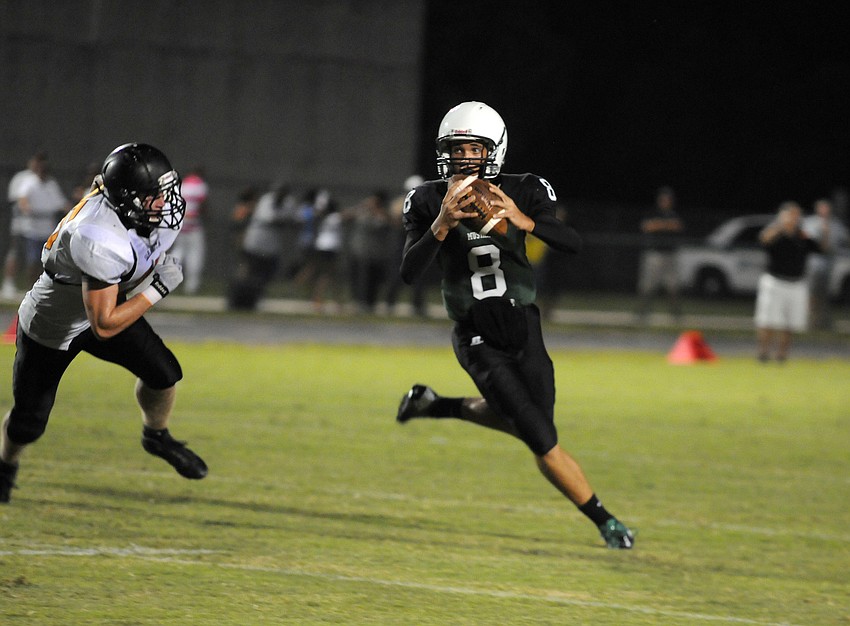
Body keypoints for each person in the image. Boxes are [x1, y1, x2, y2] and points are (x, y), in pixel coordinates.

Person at [395, 101, 635, 549]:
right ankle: (607, 522)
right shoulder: (428, 200)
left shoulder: (525, 190)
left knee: (531, 423)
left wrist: (524, 222)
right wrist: (441, 225)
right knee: (542, 440)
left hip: (524, 324)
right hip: (475, 331)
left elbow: (572, 244)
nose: (464, 157)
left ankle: (434, 405)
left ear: (495, 150)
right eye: (456, 148)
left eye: (473, 148)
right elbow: (409, 271)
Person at [0, 143, 208, 504]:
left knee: (164, 374)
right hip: (55, 326)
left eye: (165, 191)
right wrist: (157, 288)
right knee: (28, 422)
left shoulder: (135, 209)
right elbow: (105, 325)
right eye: (154, 196)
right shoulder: (97, 236)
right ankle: (5, 464)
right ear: (128, 199)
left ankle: (155, 435)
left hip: (102, 305)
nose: (166, 202)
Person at [755, 201, 826, 363]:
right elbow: (763, 240)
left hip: (796, 283)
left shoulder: (802, 235)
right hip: (774, 281)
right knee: (767, 320)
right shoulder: (775, 232)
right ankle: (763, 353)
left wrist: (825, 226)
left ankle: (782, 355)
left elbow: (821, 249)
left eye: (797, 214)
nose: (794, 218)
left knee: (790, 322)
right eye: (791, 214)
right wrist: (781, 226)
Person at [3, 152, 69, 299]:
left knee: (47, 262)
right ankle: (28, 288)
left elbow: (62, 204)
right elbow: (22, 200)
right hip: (30, 229)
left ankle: (43, 290)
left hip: (48, 230)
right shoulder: (28, 181)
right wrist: (28, 209)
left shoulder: (51, 184)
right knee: (31, 260)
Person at [227, 183, 296, 310]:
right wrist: (285, 220)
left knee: (267, 273)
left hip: (271, 245)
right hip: (256, 241)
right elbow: (271, 218)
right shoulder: (267, 200)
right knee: (247, 271)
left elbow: (292, 217)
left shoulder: (288, 203)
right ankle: (236, 298)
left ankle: (255, 297)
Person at [635, 186, 684, 322]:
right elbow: (646, 226)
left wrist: (661, 225)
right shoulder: (653, 213)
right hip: (654, 254)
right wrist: (664, 225)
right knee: (647, 285)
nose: (665, 202)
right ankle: (642, 313)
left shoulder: (674, 214)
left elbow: (678, 226)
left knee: (672, 286)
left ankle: (675, 314)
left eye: (667, 200)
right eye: (663, 199)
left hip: (670, 255)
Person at [802, 198, 848, 329]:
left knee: (826, 294)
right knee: (811, 294)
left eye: (826, 208)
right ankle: (809, 321)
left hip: (830, 265)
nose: (824, 211)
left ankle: (823, 321)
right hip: (813, 265)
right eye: (822, 208)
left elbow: (844, 240)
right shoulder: (810, 222)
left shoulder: (836, 224)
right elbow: (808, 242)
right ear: (817, 209)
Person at [169, 165, 209, 294]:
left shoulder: (184, 184)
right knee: (195, 254)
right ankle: (191, 285)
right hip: (194, 223)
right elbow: (203, 205)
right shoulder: (200, 185)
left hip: (180, 222)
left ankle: (167, 277)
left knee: (179, 251)